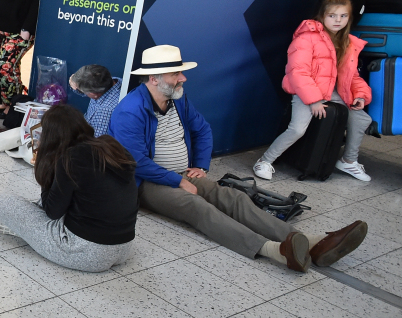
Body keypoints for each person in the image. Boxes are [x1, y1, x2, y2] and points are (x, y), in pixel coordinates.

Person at [108, 44, 368, 272]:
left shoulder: (178, 99)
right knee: (196, 206)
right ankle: (273, 250)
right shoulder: (130, 111)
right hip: (146, 182)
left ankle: (307, 242)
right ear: (154, 78)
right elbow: (137, 162)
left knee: (233, 197)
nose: (183, 78)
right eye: (176, 73)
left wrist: (200, 165)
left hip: (180, 173)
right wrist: (177, 182)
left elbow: (202, 129)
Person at [0, 104, 137, 271]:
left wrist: (45, 166)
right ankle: (25, 228)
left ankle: (21, 230)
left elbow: (52, 212)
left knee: (3, 202)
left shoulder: (70, 158)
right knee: (44, 202)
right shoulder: (112, 147)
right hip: (124, 247)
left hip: (86, 252)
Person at [254, 0, 373, 182]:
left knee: (361, 118)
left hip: (333, 92)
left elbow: (352, 76)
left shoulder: (348, 43)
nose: (338, 20)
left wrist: (360, 95)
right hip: (307, 91)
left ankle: (349, 160)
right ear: (322, 16)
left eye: (343, 16)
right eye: (332, 15)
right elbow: (298, 72)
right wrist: (314, 100)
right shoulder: (307, 38)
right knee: (297, 129)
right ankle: (265, 161)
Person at [70, 64, 121, 137]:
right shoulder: (111, 81)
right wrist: (76, 84)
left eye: (83, 91)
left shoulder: (105, 112)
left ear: (94, 94)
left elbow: (96, 143)